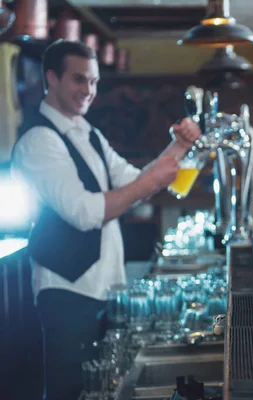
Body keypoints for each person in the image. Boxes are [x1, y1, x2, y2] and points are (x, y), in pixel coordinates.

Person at [10, 39, 201, 399]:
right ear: (51, 78)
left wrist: (178, 147)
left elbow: (135, 183)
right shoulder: (39, 141)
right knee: (72, 391)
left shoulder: (89, 135)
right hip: (67, 290)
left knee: (101, 390)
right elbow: (84, 212)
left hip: (104, 287)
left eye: (94, 82)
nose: (89, 91)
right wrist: (150, 181)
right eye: (79, 80)